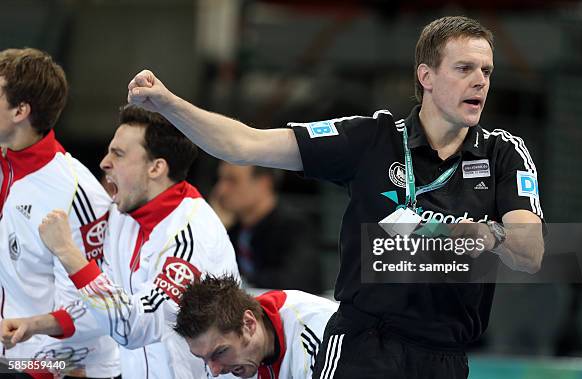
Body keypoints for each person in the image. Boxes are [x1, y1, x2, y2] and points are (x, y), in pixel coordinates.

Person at [125, 16, 545, 378]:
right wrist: (170, 105)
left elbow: (531, 252)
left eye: (487, 71)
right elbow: (246, 144)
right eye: (465, 68)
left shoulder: (503, 153)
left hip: (446, 357)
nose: (480, 81)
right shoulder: (370, 139)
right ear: (426, 76)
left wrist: (490, 234)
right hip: (364, 345)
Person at [1, 106, 240, 379]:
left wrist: (67, 251)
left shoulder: (191, 238)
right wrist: (34, 325)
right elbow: (105, 307)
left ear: (156, 167)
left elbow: (133, 327)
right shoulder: (122, 217)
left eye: (119, 154)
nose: (104, 162)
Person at [0, 48, 120, 378]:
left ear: (20, 111)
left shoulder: (76, 194)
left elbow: (94, 310)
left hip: (53, 365)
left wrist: (36, 370)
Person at [175, 274, 337, 379]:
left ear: (248, 323)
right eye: (203, 358)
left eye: (220, 352)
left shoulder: (321, 332)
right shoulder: (233, 361)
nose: (214, 371)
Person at [212, 162, 321, 292]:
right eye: (220, 179)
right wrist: (216, 228)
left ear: (264, 184)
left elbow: (295, 282)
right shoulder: (232, 230)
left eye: (232, 181)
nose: (220, 190)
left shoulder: (293, 227)